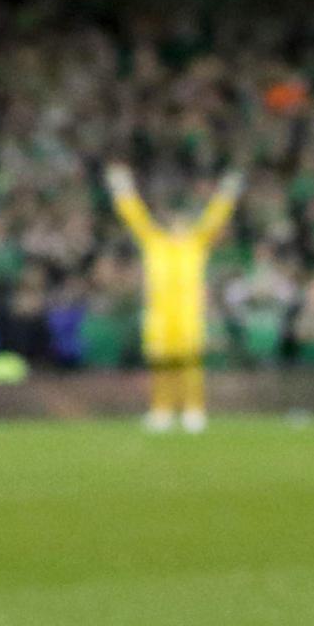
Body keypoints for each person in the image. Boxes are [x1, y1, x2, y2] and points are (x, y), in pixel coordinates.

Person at [107, 162, 242, 432]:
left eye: (183, 222)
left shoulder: (196, 243)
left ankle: (194, 409)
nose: (179, 227)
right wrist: (122, 187)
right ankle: (162, 410)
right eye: (175, 222)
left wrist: (228, 191)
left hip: (188, 312)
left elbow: (215, 218)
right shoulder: (154, 242)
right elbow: (135, 217)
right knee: (161, 364)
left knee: (190, 364)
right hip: (159, 313)